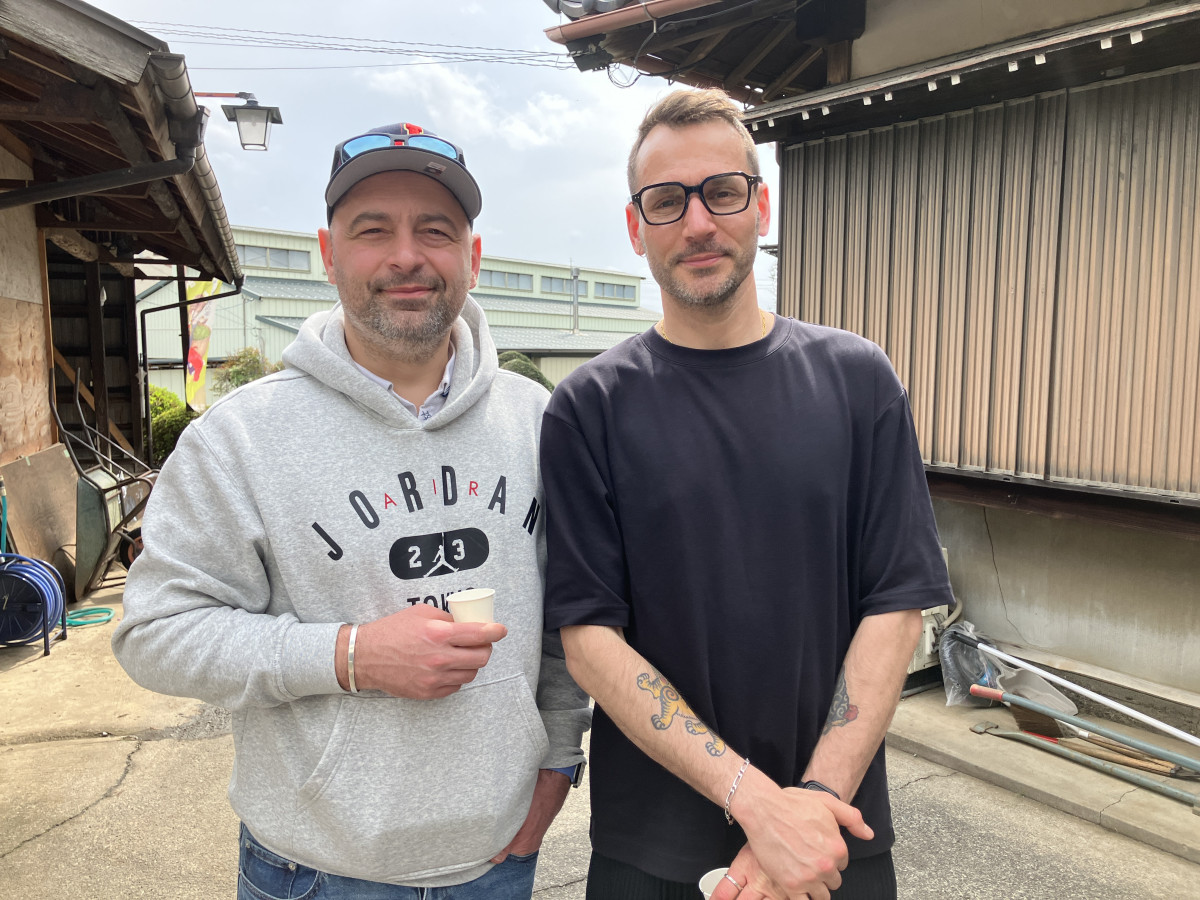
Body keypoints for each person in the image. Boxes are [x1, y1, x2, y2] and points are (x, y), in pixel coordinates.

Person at [113, 122, 589, 899]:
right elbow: (155, 634)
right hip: (316, 871)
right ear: (329, 255)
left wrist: (559, 762)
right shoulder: (239, 438)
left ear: (471, 257)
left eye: (434, 230)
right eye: (373, 230)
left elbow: (568, 622)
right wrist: (350, 656)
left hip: (499, 859)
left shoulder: (540, 422)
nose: (406, 256)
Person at [539, 90, 953, 900]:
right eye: (666, 201)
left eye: (722, 192)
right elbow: (589, 639)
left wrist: (813, 805)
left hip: (834, 840)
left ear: (761, 207)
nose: (698, 223)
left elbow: (897, 605)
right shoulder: (589, 407)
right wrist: (758, 806)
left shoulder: (857, 381)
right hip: (649, 852)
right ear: (635, 227)